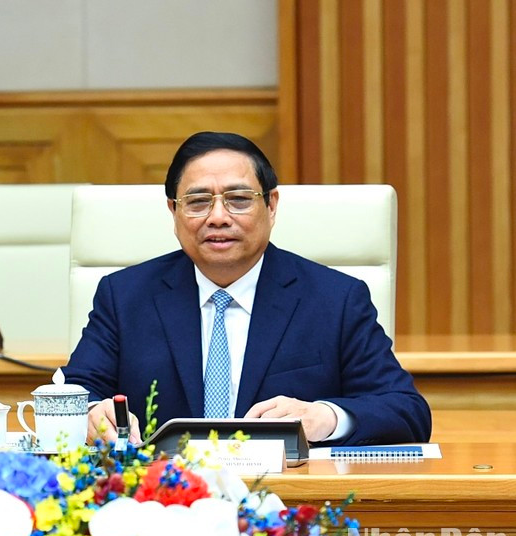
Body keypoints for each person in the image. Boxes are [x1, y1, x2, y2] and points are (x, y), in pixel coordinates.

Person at [63, 131, 432, 447]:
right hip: (159, 499)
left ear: (271, 205)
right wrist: (93, 413)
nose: (218, 217)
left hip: (289, 501)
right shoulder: (125, 296)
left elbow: (406, 410)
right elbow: (75, 392)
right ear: (173, 211)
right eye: (197, 202)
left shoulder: (335, 300)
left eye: (239, 200)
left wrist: (325, 416)